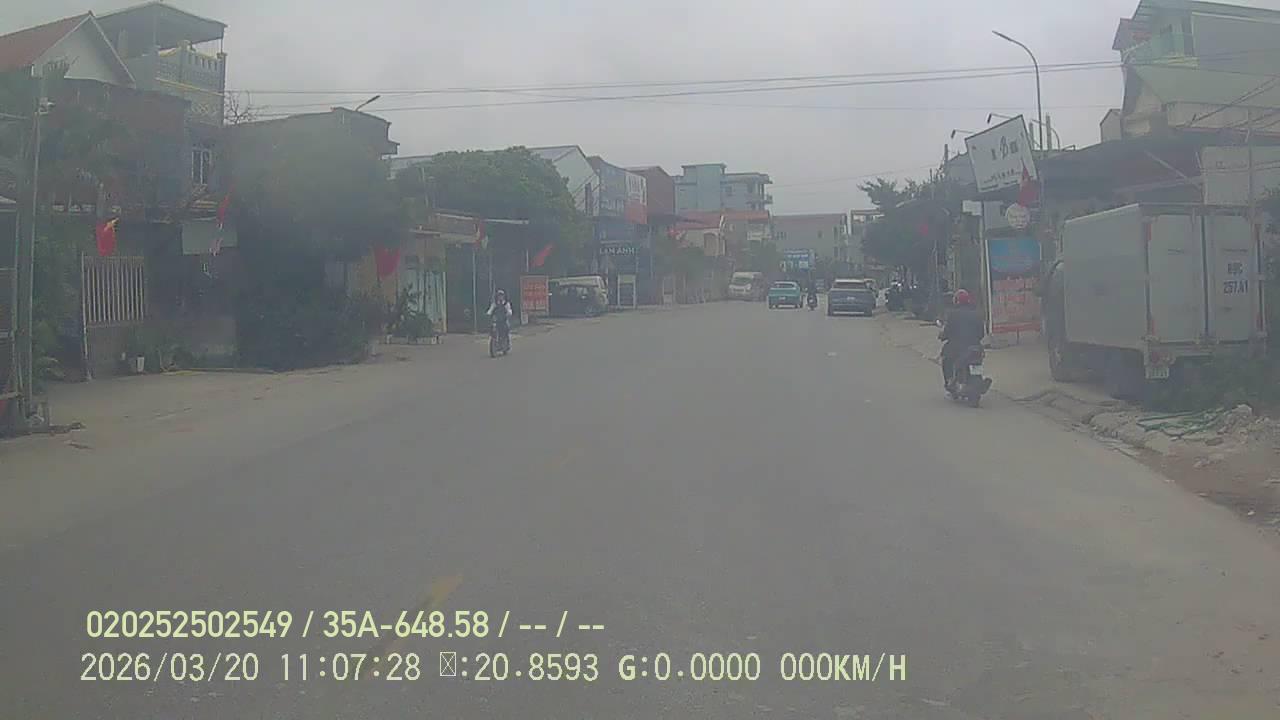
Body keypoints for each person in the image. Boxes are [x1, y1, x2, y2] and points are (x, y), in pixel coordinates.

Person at [939, 289, 986, 390]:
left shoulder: (952, 314)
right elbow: (982, 333)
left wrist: (942, 335)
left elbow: (946, 332)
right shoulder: (976, 314)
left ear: (956, 301)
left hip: (957, 348)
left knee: (946, 359)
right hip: (975, 347)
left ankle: (950, 380)